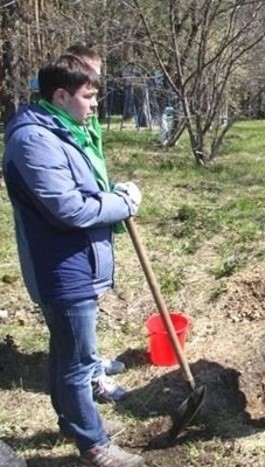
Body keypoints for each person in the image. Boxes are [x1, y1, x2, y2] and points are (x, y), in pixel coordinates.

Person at [3, 56, 144, 467]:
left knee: (68, 353)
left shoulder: (61, 130)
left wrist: (110, 191)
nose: (95, 105)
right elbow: (68, 209)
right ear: (60, 95)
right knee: (78, 361)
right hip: (62, 267)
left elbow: (80, 188)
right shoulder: (34, 140)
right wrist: (120, 203)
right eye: (88, 96)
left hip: (77, 262)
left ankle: (75, 422)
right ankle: (94, 445)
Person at [63, 44, 129, 405]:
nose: (97, 92)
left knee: (90, 300)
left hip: (95, 218)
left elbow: (91, 166)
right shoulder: (58, 129)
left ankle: (91, 361)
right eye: (91, 84)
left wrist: (109, 193)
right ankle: (91, 375)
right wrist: (115, 204)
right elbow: (69, 198)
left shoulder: (82, 119)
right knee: (79, 307)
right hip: (72, 239)